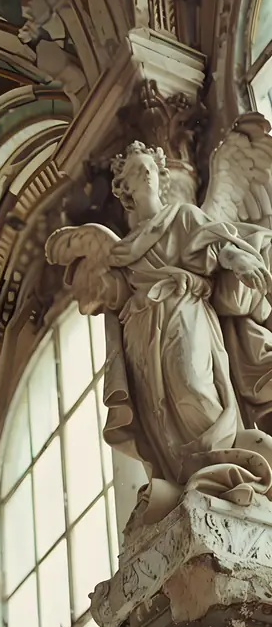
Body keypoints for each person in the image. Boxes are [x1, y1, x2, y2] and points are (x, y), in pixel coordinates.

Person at [62, 142, 272, 518]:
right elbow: (110, 297)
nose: (146, 175)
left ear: (161, 176)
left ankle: (224, 472)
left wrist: (237, 257)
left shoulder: (181, 216)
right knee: (157, 411)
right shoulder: (122, 250)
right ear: (124, 188)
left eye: (150, 169)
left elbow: (215, 244)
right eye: (136, 171)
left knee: (194, 387)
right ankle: (183, 478)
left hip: (184, 311)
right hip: (141, 331)